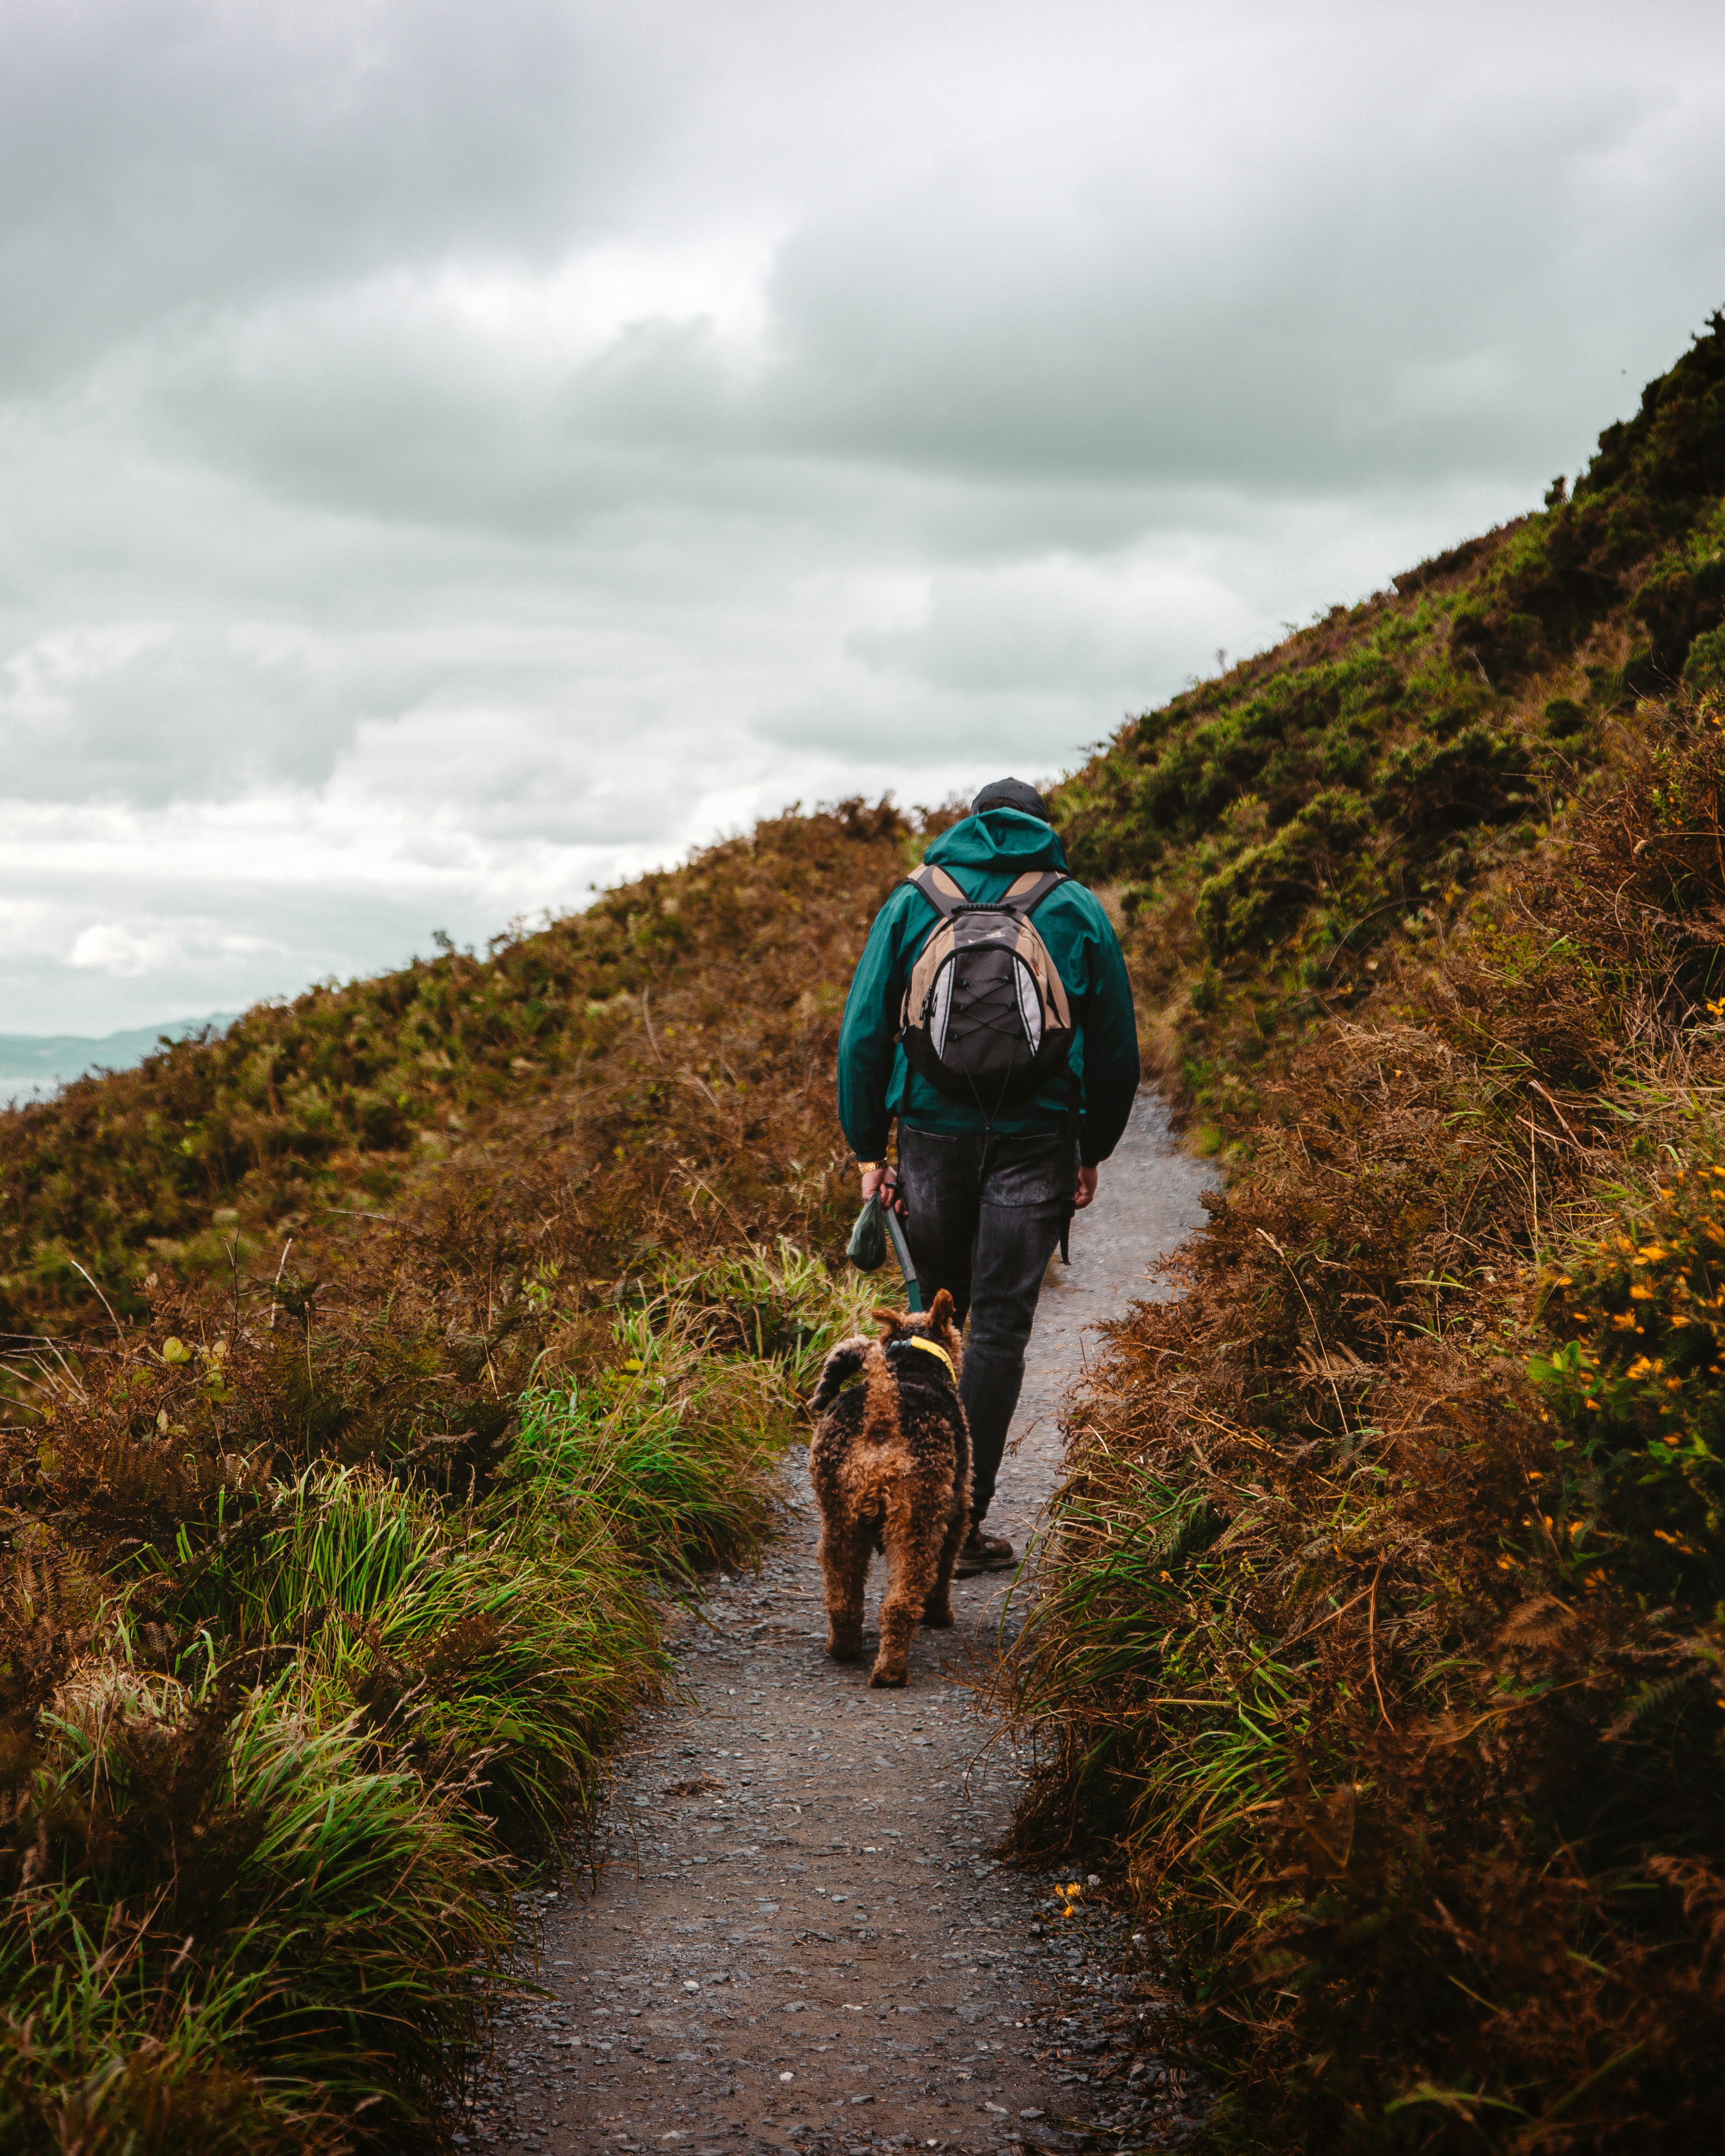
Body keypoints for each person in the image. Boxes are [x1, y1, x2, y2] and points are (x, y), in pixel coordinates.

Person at [836, 777, 1140, 1574]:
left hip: (931, 1137)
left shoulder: (916, 898)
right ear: (1042, 829)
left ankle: (892, 1506)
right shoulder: (1072, 905)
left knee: (927, 1322)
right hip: (1037, 1140)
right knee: (998, 1330)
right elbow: (1114, 1047)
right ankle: (953, 1528)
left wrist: (871, 1151)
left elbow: (863, 1032)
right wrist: (1093, 1148)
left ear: (970, 825)